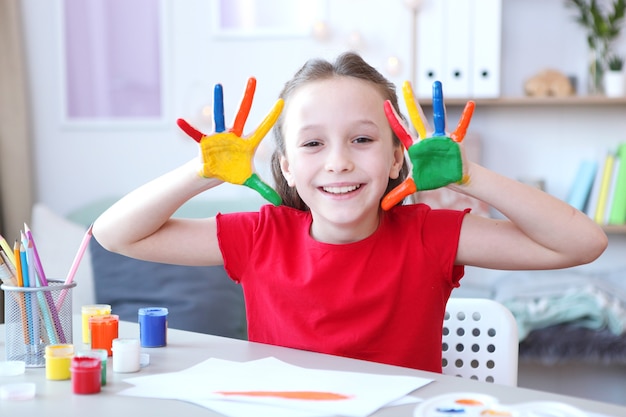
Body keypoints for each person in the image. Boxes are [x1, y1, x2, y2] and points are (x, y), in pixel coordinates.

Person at [92, 52, 608, 372]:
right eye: (313, 144)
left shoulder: (429, 235)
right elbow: (115, 234)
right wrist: (200, 172)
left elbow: (583, 243)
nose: (338, 162)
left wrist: (469, 176)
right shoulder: (260, 236)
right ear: (286, 168)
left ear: (395, 157)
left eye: (362, 139)